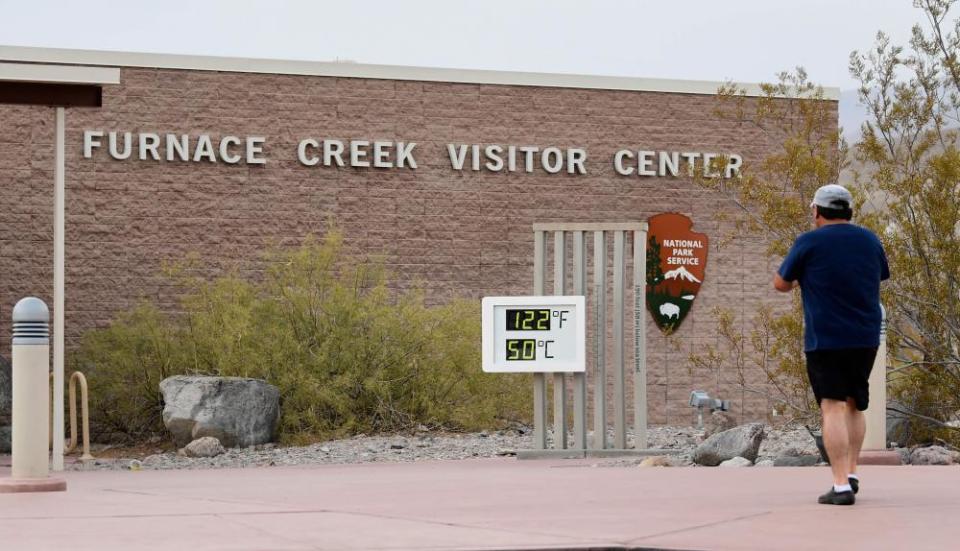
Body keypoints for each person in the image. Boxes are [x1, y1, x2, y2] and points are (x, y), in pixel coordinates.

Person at [773, 183, 889, 506]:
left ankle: (839, 486)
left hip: (826, 338)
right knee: (855, 403)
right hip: (866, 336)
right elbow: (880, 274)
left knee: (832, 406)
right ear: (849, 211)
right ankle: (851, 473)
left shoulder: (809, 242)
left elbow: (780, 282)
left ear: (817, 211)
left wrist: (803, 278)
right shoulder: (869, 240)